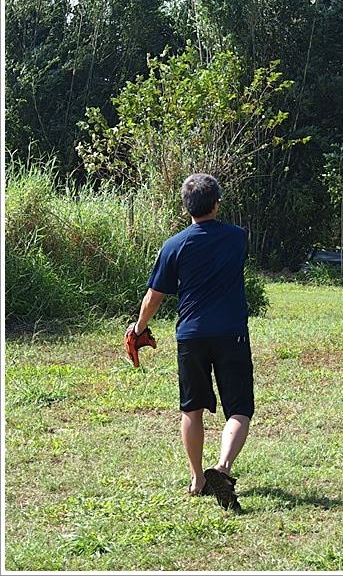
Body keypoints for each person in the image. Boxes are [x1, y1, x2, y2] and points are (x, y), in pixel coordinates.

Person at [129, 173, 253, 512]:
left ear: (187, 208)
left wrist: (139, 328)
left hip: (190, 336)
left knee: (192, 409)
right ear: (216, 204)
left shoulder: (173, 245)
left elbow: (154, 295)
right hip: (231, 333)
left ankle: (198, 479)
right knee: (239, 408)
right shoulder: (238, 237)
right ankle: (223, 469)